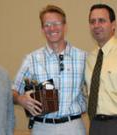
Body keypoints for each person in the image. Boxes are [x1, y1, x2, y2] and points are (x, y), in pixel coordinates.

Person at [13, 5, 86, 135]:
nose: (52, 28)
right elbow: (13, 92)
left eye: (56, 23)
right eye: (47, 25)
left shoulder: (83, 57)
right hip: (42, 128)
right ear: (42, 29)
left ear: (65, 26)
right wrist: (20, 99)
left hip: (73, 127)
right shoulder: (31, 59)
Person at [85, 4, 117, 135]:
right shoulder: (90, 58)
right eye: (92, 21)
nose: (96, 25)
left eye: (102, 20)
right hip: (95, 124)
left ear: (113, 24)